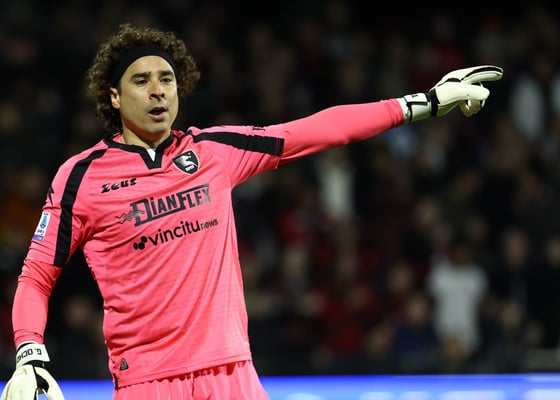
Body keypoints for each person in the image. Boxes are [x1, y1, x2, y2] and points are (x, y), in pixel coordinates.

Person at [0, 22, 502, 400]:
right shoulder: (81, 177)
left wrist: (425, 101)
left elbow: (317, 129)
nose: (158, 91)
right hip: (148, 382)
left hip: (232, 374)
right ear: (114, 95)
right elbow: (36, 275)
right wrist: (29, 352)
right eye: (141, 80)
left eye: (167, 79)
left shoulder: (214, 151)